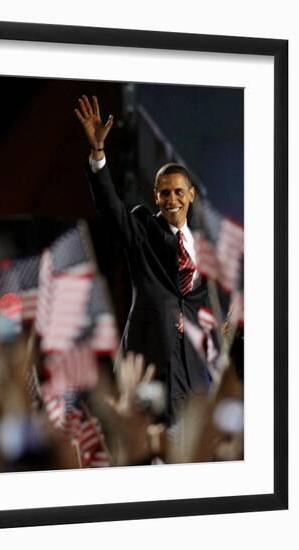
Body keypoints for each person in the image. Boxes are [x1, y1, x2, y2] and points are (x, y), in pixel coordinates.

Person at [74, 94, 212, 424]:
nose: (172, 199)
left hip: (192, 376)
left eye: (179, 191)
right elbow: (111, 210)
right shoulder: (143, 228)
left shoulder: (205, 250)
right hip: (150, 362)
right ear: (155, 196)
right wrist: (98, 154)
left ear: (191, 194)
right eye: (164, 192)